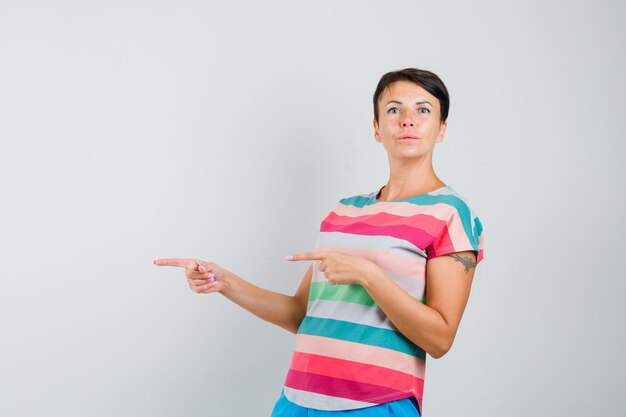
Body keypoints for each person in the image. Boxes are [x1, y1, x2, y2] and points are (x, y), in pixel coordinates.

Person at [154, 68, 484, 417]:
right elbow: (301, 314)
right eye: (393, 109)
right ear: (376, 128)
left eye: (423, 110)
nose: (407, 121)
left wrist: (369, 275)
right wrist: (223, 282)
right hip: (297, 399)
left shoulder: (450, 212)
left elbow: (440, 339)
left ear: (442, 128)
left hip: (375, 403)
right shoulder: (344, 211)